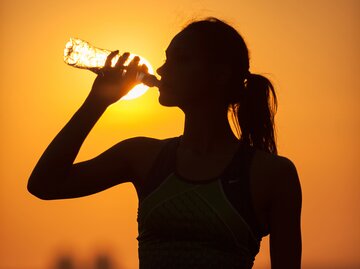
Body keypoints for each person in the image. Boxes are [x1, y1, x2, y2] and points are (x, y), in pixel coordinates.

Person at [28, 17, 302, 269]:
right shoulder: (143, 156)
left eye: (180, 60)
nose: (161, 69)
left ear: (220, 75)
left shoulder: (273, 175)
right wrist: (97, 101)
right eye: (165, 59)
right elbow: (45, 184)